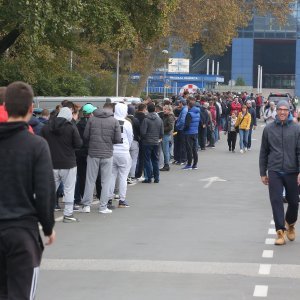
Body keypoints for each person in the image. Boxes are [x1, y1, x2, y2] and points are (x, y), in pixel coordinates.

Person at [0, 81, 55, 299]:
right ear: (31, 108)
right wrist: (48, 226)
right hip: (21, 231)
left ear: (5, 107)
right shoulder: (36, 145)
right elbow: (45, 191)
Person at [259, 100, 300, 245]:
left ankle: (290, 223)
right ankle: (280, 232)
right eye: (280, 109)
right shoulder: (269, 129)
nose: (282, 112)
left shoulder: (296, 129)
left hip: (292, 170)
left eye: (285, 110)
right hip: (275, 170)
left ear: (289, 111)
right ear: (276, 111)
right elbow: (264, 151)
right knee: (276, 200)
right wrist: (263, 172)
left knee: (294, 202)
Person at [41, 107, 82, 222]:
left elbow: (41, 143)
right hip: (68, 163)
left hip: (51, 163)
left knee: (49, 189)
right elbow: (78, 144)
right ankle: (68, 214)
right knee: (69, 190)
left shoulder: (46, 128)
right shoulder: (71, 128)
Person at [80, 103, 122, 214]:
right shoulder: (114, 121)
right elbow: (118, 139)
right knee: (106, 181)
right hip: (107, 153)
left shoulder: (92, 120)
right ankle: (103, 207)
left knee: (90, 180)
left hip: (93, 153)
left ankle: (86, 206)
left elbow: (85, 136)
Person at [108, 103, 133, 207]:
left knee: (111, 176)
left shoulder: (110, 121)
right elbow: (130, 138)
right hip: (123, 151)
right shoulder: (127, 123)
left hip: (111, 151)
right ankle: (122, 200)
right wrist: (127, 147)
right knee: (123, 177)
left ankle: (108, 199)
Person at [140, 103, 164, 183]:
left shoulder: (146, 119)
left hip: (147, 142)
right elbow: (161, 132)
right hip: (156, 142)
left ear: (147, 110)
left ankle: (149, 178)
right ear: (154, 110)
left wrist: (144, 138)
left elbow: (143, 132)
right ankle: (157, 178)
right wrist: (158, 138)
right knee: (155, 160)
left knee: (147, 160)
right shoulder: (159, 119)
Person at [183, 97, 201, 170]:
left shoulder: (189, 114)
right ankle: (195, 164)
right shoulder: (197, 113)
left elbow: (187, 125)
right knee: (194, 149)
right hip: (195, 132)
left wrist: (184, 130)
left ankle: (189, 164)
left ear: (188, 105)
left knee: (189, 149)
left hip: (189, 133)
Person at [160, 105, 175, 171]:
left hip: (166, 135)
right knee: (166, 150)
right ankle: (166, 164)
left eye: (165, 109)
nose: (164, 110)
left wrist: (162, 129)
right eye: (164, 109)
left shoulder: (170, 117)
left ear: (169, 110)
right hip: (166, 135)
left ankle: (167, 165)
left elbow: (170, 127)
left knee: (165, 150)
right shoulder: (166, 116)